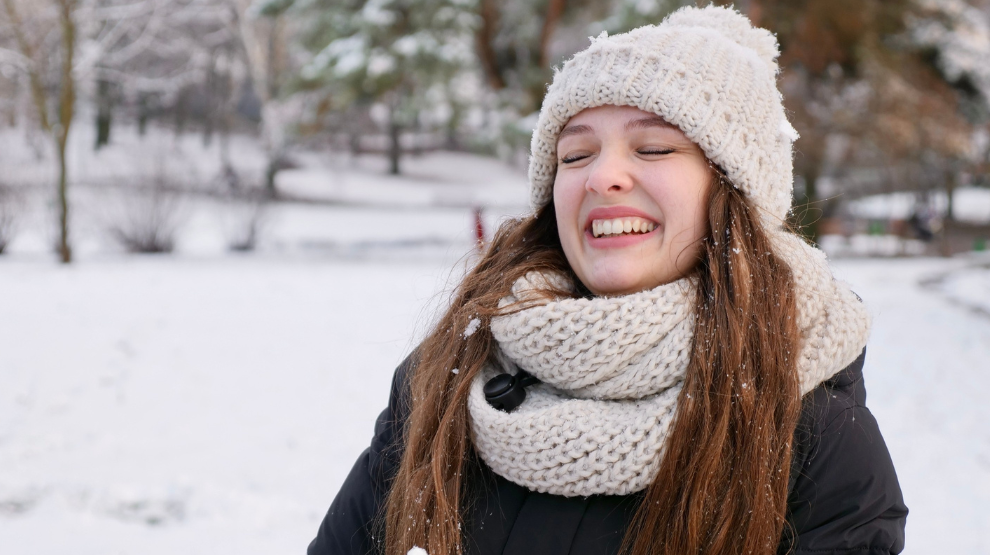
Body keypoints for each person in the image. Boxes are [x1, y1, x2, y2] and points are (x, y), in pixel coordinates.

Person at [309, 5, 908, 555]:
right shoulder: (449, 373)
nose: (603, 177)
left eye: (652, 147)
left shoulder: (815, 436)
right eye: (574, 155)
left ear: (734, 192)